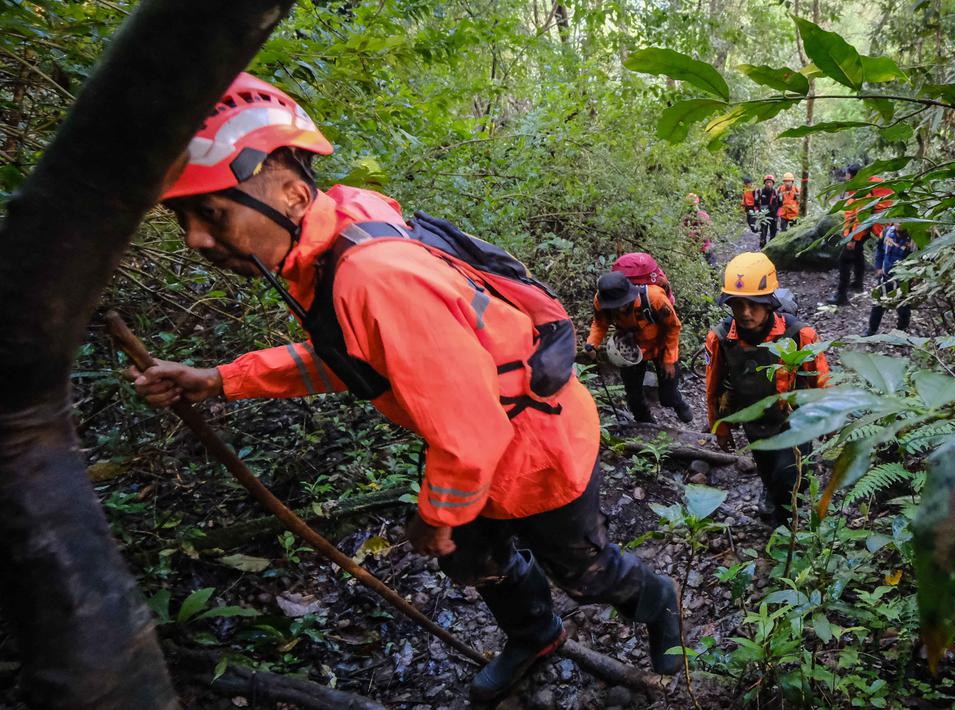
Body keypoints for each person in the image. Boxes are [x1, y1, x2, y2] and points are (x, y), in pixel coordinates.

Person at [126, 73, 683, 701]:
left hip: (534, 446)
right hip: (475, 447)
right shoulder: (330, 245)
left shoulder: (373, 275)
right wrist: (221, 379)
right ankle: (536, 634)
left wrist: (434, 518)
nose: (196, 238)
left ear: (288, 193)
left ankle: (657, 599)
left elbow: (471, 432)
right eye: (183, 218)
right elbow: (352, 360)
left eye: (211, 213)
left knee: (582, 570)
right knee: (476, 563)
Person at [705, 252, 830, 527]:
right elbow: (713, 384)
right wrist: (719, 426)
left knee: (789, 477)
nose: (746, 313)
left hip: (794, 422)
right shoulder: (722, 338)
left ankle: (785, 527)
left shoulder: (800, 335)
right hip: (754, 421)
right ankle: (771, 492)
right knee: (765, 466)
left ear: (770, 303)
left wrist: (831, 421)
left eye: (754, 305)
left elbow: (820, 381)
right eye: (738, 305)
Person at [585, 272, 693, 424]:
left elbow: (673, 327)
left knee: (668, 395)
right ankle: (646, 425)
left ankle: (678, 404)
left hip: (660, 346)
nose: (618, 309)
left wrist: (669, 360)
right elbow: (600, 323)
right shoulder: (602, 301)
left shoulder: (655, 299)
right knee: (633, 396)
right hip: (630, 350)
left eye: (621, 304)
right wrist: (592, 343)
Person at [829, 163, 894, 306]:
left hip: (859, 230)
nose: (846, 178)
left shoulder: (862, 192)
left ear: (854, 176)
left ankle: (841, 296)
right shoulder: (865, 186)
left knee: (845, 261)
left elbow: (858, 217)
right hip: (868, 228)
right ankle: (858, 284)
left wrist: (851, 238)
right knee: (858, 255)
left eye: (848, 176)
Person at [865, 225, 914, 336]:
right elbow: (880, 249)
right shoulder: (887, 231)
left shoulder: (914, 237)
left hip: (903, 280)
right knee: (878, 303)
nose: (899, 222)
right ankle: (871, 330)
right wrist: (878, 267)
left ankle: (901, 333)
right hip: (886, 275)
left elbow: (920, 257)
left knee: (903, 308)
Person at [682, 192, 715, 266]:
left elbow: (683, 231)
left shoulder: (686, 217)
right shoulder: (702, 214)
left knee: (698, 265)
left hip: (694, 248)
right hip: (704, 246)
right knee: (711, 265)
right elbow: (710, 227)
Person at [754, 175, 780, 248]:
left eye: (770, 182)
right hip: (763, 216)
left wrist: (778, 215)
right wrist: (757, 213)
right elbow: (755, 205)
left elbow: (780, 205)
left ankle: (771, 249)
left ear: (773, 183)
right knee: (763, 234)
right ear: (764, 183)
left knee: (773, 234)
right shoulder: (760, 192)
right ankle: (762, 249)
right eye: (767, 182)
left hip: (773, 216)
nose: (768, 184)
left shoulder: (776, 192)